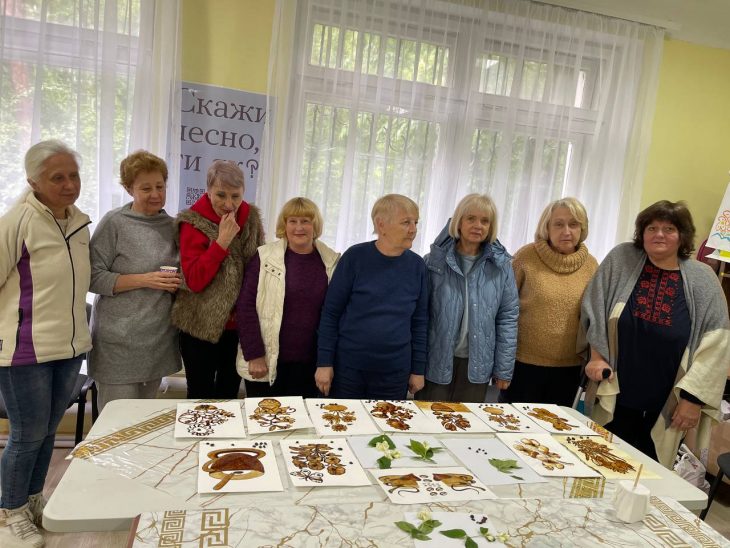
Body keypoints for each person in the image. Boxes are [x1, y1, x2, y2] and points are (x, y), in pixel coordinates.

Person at [581, 200, 730, 468]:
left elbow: (717, 343)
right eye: (651, 228)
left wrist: (693, 399)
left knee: (648, 475)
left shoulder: (703, 278)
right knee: (599, 464)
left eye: (669, 229)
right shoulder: (621, 259)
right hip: (615, 393)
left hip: (668, 406)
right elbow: (595, 308)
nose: (659, 234)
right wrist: (596, 357)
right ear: (642, 233)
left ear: (682, 236)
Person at [0, 140, 92, 547]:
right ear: (34, 181)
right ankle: (10, 511)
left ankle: (33, 500)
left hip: (69, 348)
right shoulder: (17, 222)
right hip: (25, 351)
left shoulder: (78, 223)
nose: (69, 184)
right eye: (58, 178)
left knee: (46, 431)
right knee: (26, 435)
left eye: (73, 175)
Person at [88, 151, 182, 412]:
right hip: (117, 344)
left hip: (157, 341)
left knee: (142, 422)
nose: (156, 194)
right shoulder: (114, 223)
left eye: (160, 186)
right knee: (115, 424)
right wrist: (145, 280)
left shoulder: (174, 226)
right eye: (146, 188)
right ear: (129, 189)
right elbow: (92, 277)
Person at [315, 194, 428, 399]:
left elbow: (420, 322)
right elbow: (331, 313)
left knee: (387, 420)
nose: (413, 229)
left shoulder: (418, 266)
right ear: (381, 224)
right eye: (406, 222)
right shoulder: (354, 257)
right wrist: (324, 362)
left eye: (416, 222)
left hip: (395, 372)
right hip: (348, 369)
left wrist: (418, 370)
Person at [171, 160, 264, 398]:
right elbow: (194, 280)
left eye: (236, 196)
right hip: (199, 325)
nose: (229, 204)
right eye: (221, 195)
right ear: (208, 191)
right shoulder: (192, 222)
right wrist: (221, 242)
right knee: (199, 396)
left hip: (239, 327)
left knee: (229, 395)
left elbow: (258, 269)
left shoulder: (251, 217)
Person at [419, 194, 518, 403]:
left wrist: (503, 369)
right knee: (428, 419)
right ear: (459, 222)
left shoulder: (501, 267)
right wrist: (415, 366)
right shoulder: (433, 262)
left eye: (485, 221)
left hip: (477, 365)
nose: (478, 226)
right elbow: (419, 316)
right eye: (471, 218)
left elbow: (508, 318)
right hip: (435, 360)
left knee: (467, 421)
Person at [236, 198, 340, 397]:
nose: (299, 227)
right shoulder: (264, 257)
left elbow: (334, 315)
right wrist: (254, 354)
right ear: (285, 225)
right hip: (267, 362)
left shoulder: (331, 261)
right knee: (264, 415)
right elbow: (245, 306)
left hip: (311, 366)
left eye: (305, 221)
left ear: (315, 225)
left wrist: (327, 361)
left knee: (303, 417)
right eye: (293, 221)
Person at [501, 197, 598, 406]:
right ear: (546, 227)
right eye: (559, 224)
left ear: (582, 228)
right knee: (515, 423)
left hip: (569, 369)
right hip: (522, 365)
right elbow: (503, 310)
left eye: (573, 224)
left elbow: (594, 318)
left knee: (555, 425)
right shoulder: (525, 257)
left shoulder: (591, 266)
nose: (566, 231)